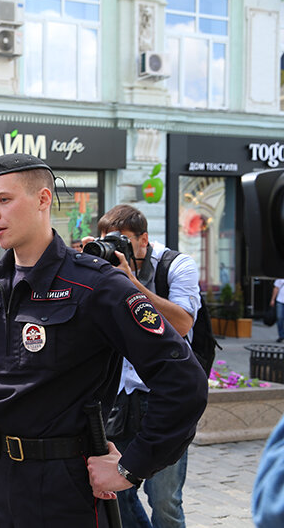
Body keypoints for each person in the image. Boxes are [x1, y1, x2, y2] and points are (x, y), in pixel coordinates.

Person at [0, 154, 208, 528]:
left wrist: (132, 467)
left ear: (43, 199)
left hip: (67, 488)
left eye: (4, 199)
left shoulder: (96, 285)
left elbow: (184, 381)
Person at [94, 204, 202, 528]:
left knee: (165, 501)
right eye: (108, 242)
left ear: (143, 240)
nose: (116, 250)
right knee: (119, 494)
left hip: (161, 398)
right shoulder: (104, 267)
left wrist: (129, 283)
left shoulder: (177, 265)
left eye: (122, 242)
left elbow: (182, 323)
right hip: (119, 397)